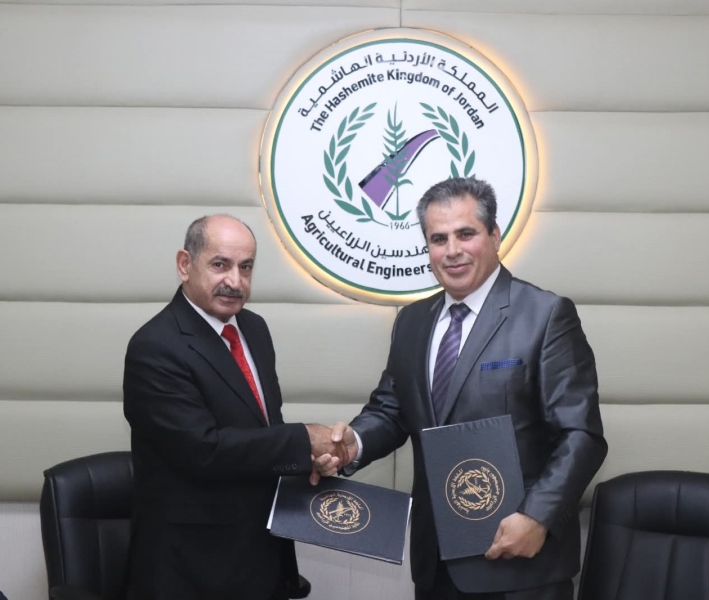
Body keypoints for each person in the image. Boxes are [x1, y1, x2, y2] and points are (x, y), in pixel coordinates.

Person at [316, 178, 608, 600]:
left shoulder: (545, 315)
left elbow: (581, 434)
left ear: (495, 236)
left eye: (465, 234)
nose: (452, 250)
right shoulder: (412, 322)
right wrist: (353, 444)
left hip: (520, 563)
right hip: (436, 564)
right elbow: (392, 410)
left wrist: (538, 517)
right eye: (438, 239)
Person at [123, 214, 340, 600]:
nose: (235, 281)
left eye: (246, 267)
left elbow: (263, 431)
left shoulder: (254, 329)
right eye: (220, 264)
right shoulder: (155, 346)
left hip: (263, 555)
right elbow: (203, 450)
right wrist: (303, 440)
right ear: (185, 265)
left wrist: (306, 460)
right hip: (193, 569)